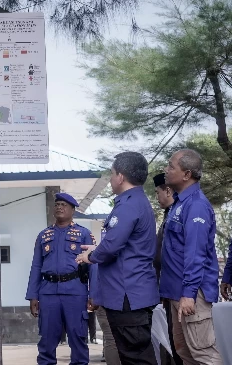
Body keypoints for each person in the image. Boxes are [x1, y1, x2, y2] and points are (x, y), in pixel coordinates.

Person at [77, 151, 159, 365]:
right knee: (133, 354)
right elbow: (124, 244)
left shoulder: (128, 205)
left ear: (121, 177)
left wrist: (90, 255)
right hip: (132, 292)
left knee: (136, 356)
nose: (111, 179)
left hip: (127, 294)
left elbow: (112, 246)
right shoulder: (137, 202)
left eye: (112, 174)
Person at [160, 149, 222, 364]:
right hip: (177, 292)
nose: (166, 170)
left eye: (170, 166)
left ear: (186, 174)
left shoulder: (196, 205)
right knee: (186, 353)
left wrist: (188, 293)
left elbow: (196, 254)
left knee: (204, 354)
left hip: (192, 294)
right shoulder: (180, 202)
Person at [26, 193, 94, 365]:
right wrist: (33, 295)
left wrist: (94, 294)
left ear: (72, 210)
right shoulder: (44, 235)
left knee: (78, 339)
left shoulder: (84, 234)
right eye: (57, 204)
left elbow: (94, 266)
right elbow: (36, 266)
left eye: (64, 205)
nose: (59, 207)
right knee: (47, 341)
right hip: (48, 293)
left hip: (75, 292)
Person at [152, 173, 183, 365]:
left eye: (158, 192)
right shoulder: (168, 215)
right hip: (168, 290)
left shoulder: (179, 214)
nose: (156, 197)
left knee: (186, 347)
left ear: (168, 190)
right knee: (174, 343)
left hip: (180, 290)